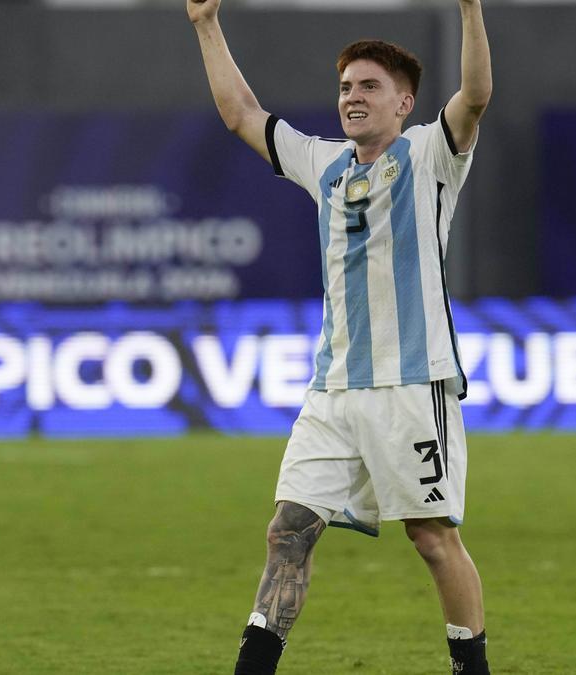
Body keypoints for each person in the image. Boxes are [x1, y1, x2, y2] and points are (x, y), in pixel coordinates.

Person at [187, 0, 493, 672]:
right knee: (287, 532)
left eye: (369, 87)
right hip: (332, 390)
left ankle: (472, 666)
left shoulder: (430, 153)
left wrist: (470, 9)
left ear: (404, 101)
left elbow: (475, 94)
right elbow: (242, 114)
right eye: (346, 87)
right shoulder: (322, 162)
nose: (353, 97)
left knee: (433, 537)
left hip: (412, 382)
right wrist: (206, 24)